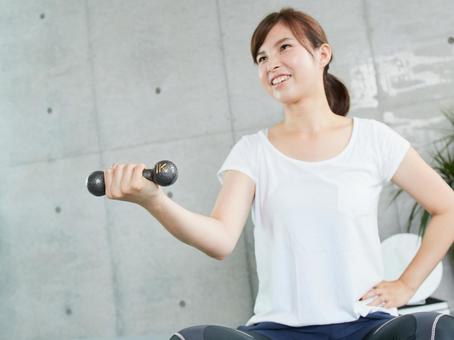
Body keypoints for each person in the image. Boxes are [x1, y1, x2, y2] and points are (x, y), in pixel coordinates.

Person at [104, 7, 454, 340]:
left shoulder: (373, 139)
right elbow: (221, 239)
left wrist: (407, 285)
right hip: (280, 330)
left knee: (439, 330)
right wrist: (155, 201)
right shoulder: (252, 152)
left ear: (322, 54)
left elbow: (447, 208)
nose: (272, 63)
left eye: (284, 47)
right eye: (261, 58)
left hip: (366, 325)